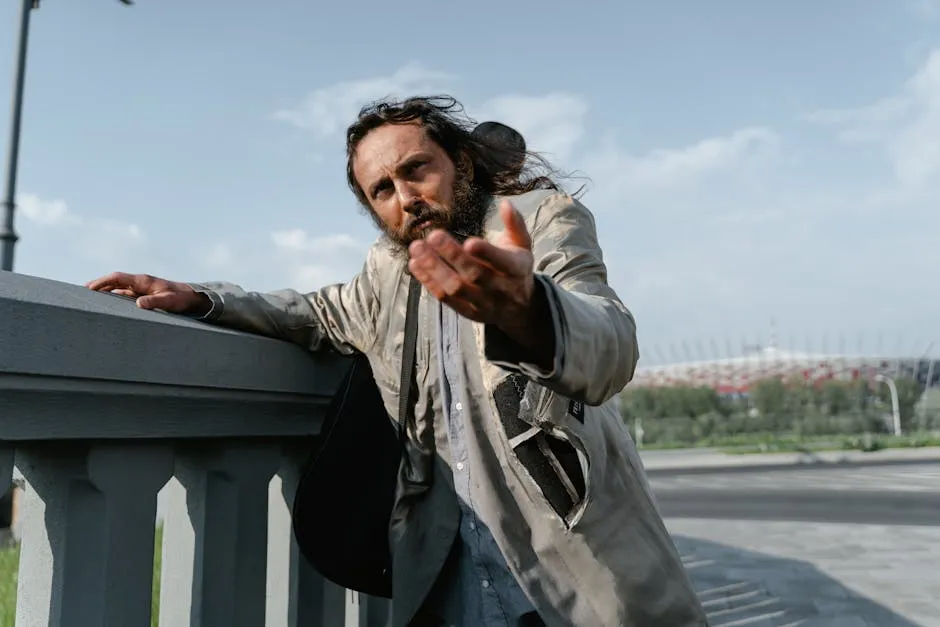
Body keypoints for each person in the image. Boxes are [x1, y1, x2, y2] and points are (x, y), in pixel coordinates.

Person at [87, 95, 706, 627]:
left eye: (417, 169)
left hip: (574, 561)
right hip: (452, 568)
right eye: (384, 189)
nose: (407, 198)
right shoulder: (387, 269)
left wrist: (528, 311)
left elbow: (611, 341)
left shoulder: (538, 220)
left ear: (460, 163)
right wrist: (204, 299)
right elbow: (313, 312)